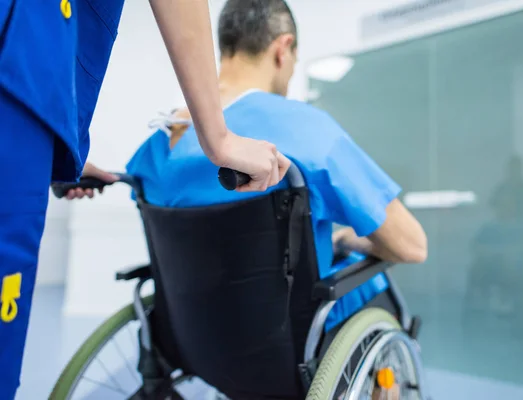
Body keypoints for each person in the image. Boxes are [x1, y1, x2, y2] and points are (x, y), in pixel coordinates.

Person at [121, 0, 427, 397]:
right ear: (283, 49)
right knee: (373, 283)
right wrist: (350, 237)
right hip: (291, 349)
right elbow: (412, 245)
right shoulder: (303, 130)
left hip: (197, 343)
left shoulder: (158, 145)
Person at [0, 1, 289, 398]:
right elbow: (404, 239)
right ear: (283, 49)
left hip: (187, 331)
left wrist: (57, 156)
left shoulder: (160, 143)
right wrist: (218, 138)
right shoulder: (294, 137)